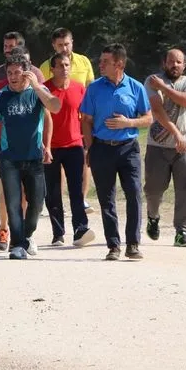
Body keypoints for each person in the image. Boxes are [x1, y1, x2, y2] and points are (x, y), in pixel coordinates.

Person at [0, 55, 61, 260]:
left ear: (27, 73)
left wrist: (35, 85)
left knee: (36, 203)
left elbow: (54, 107)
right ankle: (17, 245)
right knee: (13, 202)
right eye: (9, 73)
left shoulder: (38, 93)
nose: (13, 77)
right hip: (9, 159)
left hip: (34, 158)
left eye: (17, 72)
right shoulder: (0, 96)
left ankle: (27, 235)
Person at [80, 43, 152, 261]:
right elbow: (86, 120)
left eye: (105, 62)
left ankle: (133, 243)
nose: (100, 65)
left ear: (119, 64)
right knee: (106, 198)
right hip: (101, 148)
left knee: (134, 194)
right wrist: (89, 148)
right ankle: (113, 245)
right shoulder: (94, 88)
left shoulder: (136, 87)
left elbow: (148, 118)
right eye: (100, 61)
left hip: (129, 149)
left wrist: (128, 122)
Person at [144, 49, 186, 248]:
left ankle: (182, 232)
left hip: (185, 145)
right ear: (164, 63)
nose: (174, 65)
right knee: (153, 190)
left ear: (184, 65)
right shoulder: (152, 80)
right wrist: (176, 133)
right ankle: (153, 216)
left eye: (178, 62)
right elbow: (157, 110)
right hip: (157, 145)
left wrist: (165, 88)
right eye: (171, 61)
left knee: (185, 190)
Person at [40, 27, 97, 215]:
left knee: (82, 165)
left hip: (78, 124)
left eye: (67, 44)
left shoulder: (83, 62)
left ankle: (82, 199)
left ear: (72, 42)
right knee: (56, 173)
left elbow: (90, 90)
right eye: (60, 45)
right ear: (53, 46)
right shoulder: (45, 67)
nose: (64, 48)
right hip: (54, 127)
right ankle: (58, 204)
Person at [43, 53, 96, 247]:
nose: (65, 68)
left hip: (75, 145)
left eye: (67, 65)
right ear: (52, 69)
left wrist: (89, 145)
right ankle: (58, 233)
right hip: (51, 147)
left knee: (76, 190)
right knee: (53, 192)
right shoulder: (45, 90)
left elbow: (85, 119)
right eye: (60, 65)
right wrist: (43, 145)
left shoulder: (79, 89)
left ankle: (80, 229)